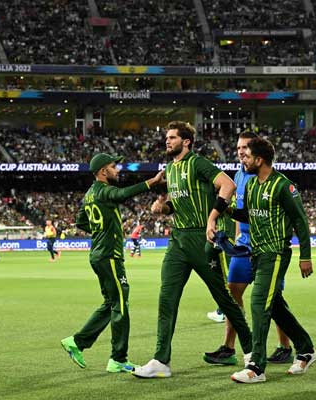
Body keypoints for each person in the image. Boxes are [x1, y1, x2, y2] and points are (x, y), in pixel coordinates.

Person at [132, 121, 252, 379]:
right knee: (167, 299)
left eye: (172, 137)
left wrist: (212, 217)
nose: (167, 141)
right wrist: (162, 209)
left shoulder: (198, 163)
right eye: (167, 137)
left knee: (224, 299)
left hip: (202, 239)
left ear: (186, 142)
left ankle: (253, 352)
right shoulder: (170, 169)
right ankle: (161, 360)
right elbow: (175, 205)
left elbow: (228, 185)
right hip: (178, 240)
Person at [60, 153, 165, 373]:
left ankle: (77, 342)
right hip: (109, 256)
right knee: (120, 304)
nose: (117, 170)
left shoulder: (89, 194)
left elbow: (81, 221)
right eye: (113, 167)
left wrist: (100, 231)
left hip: (99, 254)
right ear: (102, 172)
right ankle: (118, 358)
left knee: (111, 303)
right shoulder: (105, 191)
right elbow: (123, 194)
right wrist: (151, 183)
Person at [226, 137, 316, 384]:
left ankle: (256, 366)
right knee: (275, 304)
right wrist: (226, 209)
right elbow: (247, 214)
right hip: (256, 254)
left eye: (247, 156)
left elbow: (300, 221)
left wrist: (305, 256)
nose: (242, 159)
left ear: (260, 159)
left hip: (275, 253)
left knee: (258, 303)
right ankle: (306, 349)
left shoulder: (283, 186)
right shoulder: (254, 185)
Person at [204, 132, 294, 366]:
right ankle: (228, 347)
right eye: (238, 147)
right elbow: (238, 213)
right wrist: (235, 239)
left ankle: (285, 346)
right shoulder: (237, 176)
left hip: (267, 247)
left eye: (245, 147)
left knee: (273, 299)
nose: (241, 151)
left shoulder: (267, 179)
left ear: (256, 152)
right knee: (232, 296)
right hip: (243, 247)